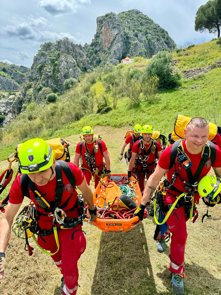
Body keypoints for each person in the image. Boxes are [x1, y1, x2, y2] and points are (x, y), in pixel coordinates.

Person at [134, 117, 221, 294]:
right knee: (180, 234)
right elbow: (154, 178)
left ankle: (161, 233)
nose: (199, 141)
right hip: (171, 196)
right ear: (185, 133)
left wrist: (215, 190)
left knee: (174, 227)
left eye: (204, 136)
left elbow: (220, 175)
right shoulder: (172, 152)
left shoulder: (213, 152)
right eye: (195, 135)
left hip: (191, 199)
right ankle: (176, 271)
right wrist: (143, 205)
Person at [0, 138, 97, 295]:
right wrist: (1, 253)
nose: (38, 178)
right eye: (32, 173)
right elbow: (6, 218)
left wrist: (92, 210)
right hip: (45, 224)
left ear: (52, 162)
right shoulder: (22, 182)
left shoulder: (69, 171)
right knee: (54, 253)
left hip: (70, 220)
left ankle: (69, 289)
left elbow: (86, 191)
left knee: (69, 263)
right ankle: (64, 274)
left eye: (42, 171)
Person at [128, 124, 162, 193]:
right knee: (140, 185)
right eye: (145, 134)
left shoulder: (156, 145)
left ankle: (148, 199)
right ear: (142, 134)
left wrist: (161, 171)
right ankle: (141, 198)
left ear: (151, 134)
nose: (147, 136)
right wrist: (129, 171)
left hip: (151, 167)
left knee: (151, 185)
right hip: (139, 167)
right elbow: (132, 159)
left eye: (149, 134)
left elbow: (161, 159)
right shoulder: (137, 145)